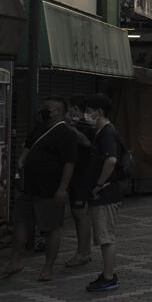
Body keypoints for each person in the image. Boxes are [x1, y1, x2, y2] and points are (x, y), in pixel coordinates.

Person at [0, 96, 76, 282]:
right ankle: (15, 260)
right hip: (29, 187)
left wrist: (62, 188)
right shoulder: (40, 128)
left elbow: (69, 163)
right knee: (20, 223)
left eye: (49, 107)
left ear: (59, 111)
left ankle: (48, 268)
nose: (45, 109)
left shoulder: (65, 133)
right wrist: (22, 161)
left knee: (50, 229)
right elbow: (28, 145)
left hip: (50, 189)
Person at [84, 93, 123, 292]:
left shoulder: (107, 132)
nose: (85, 115)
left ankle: (109, 277)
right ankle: (107, 274)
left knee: (106, 236)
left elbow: (111, 160)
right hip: (103, 194)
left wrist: (99, 184)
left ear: (99, 112)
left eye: (88, 112)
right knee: (103, 236)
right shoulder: (101, 132)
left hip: (105, 194)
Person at [64, 96, 94, 268]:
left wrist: (71, 129)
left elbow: (87, 143)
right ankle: (84, 252)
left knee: (80, 214)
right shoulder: (79, 126)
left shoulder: (85, 127)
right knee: (79, 215)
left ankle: (83, 253)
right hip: (77, 176)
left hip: (82, 176)